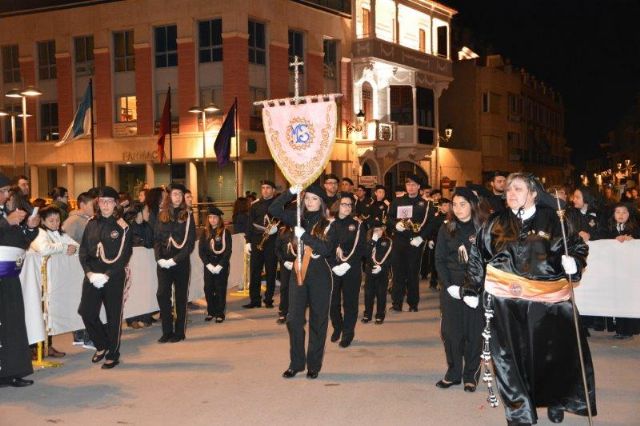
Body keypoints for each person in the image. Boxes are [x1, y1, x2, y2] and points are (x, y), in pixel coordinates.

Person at [464, 172, 596, 425]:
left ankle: (556, 401)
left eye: (518, 189)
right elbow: (478, 255)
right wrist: (472, 287)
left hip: (549, 302)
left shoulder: (554, 219)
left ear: (533, 193)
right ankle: (519, 412)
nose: (511, 194)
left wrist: (574, 262)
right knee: (509, 357)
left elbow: (577, 246)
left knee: (550, 357)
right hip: (506, 302)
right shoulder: (495, 221)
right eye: (509, 190)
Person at [269, 184, 337, 379]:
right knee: (294, 320)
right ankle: (297, 363)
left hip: (320, 276)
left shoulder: (329, 223)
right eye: (307, 198)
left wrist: (305, 236)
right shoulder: (297, 217)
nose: (310, 202)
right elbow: (273, 209)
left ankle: (314, 365)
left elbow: (327, 249)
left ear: (322, 202)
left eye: (314, 199)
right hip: (298, 273)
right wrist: (290, 192)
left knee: (318, 320)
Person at [434, 188, 484, 392]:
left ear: (472, 205)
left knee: (474, 332)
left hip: (476, 286)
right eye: (455, 204)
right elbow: (440, 259)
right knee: (451, 332)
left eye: (462, 204)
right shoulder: (447, 228)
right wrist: (449, 286)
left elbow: (489, 260)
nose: (458, 208)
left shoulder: (483, 228)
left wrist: (476, 288)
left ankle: (470, 374)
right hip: (452, 286)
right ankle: (453, 372)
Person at [78, 186, 133, 369]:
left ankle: (112, 352)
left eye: (109, 202)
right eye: (102, 202)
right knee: (87, 312)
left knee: (113, 316)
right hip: (93, 275)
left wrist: (107, 275)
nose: (105, 205)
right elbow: (83, 251)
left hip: (114, 276)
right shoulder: (92, 223)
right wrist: (89, 272)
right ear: (98, 203)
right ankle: (101, 344)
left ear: (116, 204)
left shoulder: (123, 227)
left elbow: (124, 256)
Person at [0, 173, 40, 388]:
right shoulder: (5, 217)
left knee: (12, 324)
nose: (7, 196)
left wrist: (31, 228)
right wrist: (6, 222)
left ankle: (11, 371)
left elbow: (20, 241)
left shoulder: (6, 213)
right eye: (4, 191)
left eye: (8, 191)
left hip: (7, 276)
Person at [31, 205, 81, 358]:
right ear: (43, 221)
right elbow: (43, 249)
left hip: (56, 281)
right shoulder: (39, 233)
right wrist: (64, 247)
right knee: (40, 314)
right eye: (51, 220)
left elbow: (77, 246)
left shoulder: (61, 233)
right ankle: (35, 347)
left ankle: (49, 345)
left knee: (50, 314)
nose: (55, 223)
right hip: (41, 281)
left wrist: (70, 247)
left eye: (58, 220)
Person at [154, 183, 196, 343]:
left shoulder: (188, 216)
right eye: (174, 194)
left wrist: (174, 260)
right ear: (169, 197)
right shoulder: (161, 215)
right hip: (163, 262)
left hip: (180, 262)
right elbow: (156, 239)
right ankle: (167, 330)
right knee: (162, 294)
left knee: (180, 297)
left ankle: (179, 331)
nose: (177, 197)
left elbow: (190, 243)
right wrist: (159, 259)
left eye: (179, 194)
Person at [388, 174, 432, 312]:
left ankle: (413, 303)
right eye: (408, 185)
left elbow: (431, 224)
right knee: (398, 273)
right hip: (399, 241)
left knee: (412, 274)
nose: (411, 187)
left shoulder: (425, 204)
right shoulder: (397, 201)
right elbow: (389, 218)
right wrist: (395, 225)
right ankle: (397, 303)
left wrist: (422, 237)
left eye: (414, 185)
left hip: (415, 242)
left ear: (419, 187)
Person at [329, 193, 366, 347]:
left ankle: (348, 333)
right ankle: (338, 326)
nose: (347, 207)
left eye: (350, 205)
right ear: (338, 205)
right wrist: (334, 265)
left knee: (350, 302)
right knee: (333, 301)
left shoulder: (357, 225)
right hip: (334, 268)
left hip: (351, 268)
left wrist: (347, 264)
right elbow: (327, 246)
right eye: (344, 204)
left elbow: (361, 248)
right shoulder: (331, 224)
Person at [601, 203, 640, 339]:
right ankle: (618, 329)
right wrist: (613, 240)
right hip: (614, 271)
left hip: (630, 272)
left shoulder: (636, 229)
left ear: (629, 214)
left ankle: (629, 329)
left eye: (624, 212)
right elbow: (601, 244)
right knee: (616, 298)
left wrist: (633, 241)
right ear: (613, 214)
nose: (621, 215)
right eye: (618, 212)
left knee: (629, 298)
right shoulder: (608, 229)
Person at [243, 180, 279, 309]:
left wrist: (278, 229)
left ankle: (268, 299)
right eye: (263, 188)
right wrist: (247, 241)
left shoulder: (278, 204)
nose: (265, 190)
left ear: (273, 190)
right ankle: (255, 300)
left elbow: (285, 222)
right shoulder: (255, 205)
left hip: (272, 241)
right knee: (255, 271)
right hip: (257, 240)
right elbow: (249, 224)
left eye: (268, 188)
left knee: (271, 271)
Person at [199, 206, 232, 323]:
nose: (212, 220)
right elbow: (201, 250)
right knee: (208, 288)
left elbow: (228, 251)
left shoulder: (225, 232)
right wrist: (207, 264)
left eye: (215, 217)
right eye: (210, 217)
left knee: (220, 289)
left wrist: (220, 265)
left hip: (220, 264)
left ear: (219, 219)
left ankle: (220, 313)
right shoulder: (205, 232)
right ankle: (211, 311)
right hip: (209, 264)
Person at [362, 218, 393, 324]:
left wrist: (382, 266)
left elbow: (391, 257)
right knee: (368, 294)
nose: (378, 232)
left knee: (381, 294)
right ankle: (367, 314)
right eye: (375, 230)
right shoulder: (368, 241)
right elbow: (365, 254)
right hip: (370, 270)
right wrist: (372, 242)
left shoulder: (388, 241)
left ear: (383, 230)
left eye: (380, 229)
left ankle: (380, 314)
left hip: (382, 271)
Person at [275, 223, 295, 324]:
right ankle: (283, 312)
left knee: (299, 288)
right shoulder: (282, 231)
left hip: (298, 263)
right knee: (284, 288)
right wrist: (283, 261)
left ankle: (296, 313)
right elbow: (277, 249)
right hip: (285, 263)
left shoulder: (301, 230)